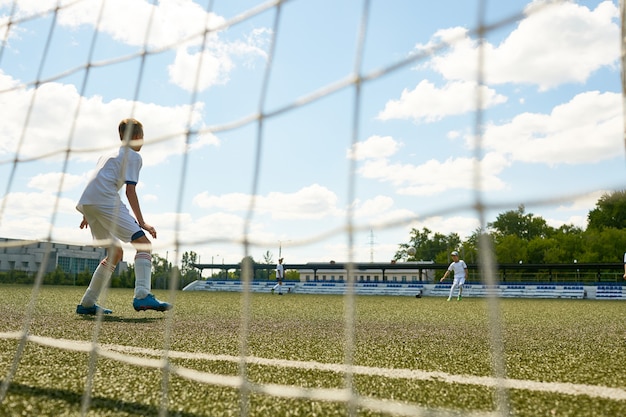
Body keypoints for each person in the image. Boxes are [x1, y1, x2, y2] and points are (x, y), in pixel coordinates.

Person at [75, 118, 172, 315]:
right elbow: (130, 191)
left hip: (89, 202)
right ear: (136, 137)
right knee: (143, 244)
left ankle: (87, 304)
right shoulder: (134, 156)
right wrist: (142, 222)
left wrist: (88, 212)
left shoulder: (107, 155)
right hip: (104, 200)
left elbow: (98, 180)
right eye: (143, 137)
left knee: (115, 253)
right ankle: (143, 295)